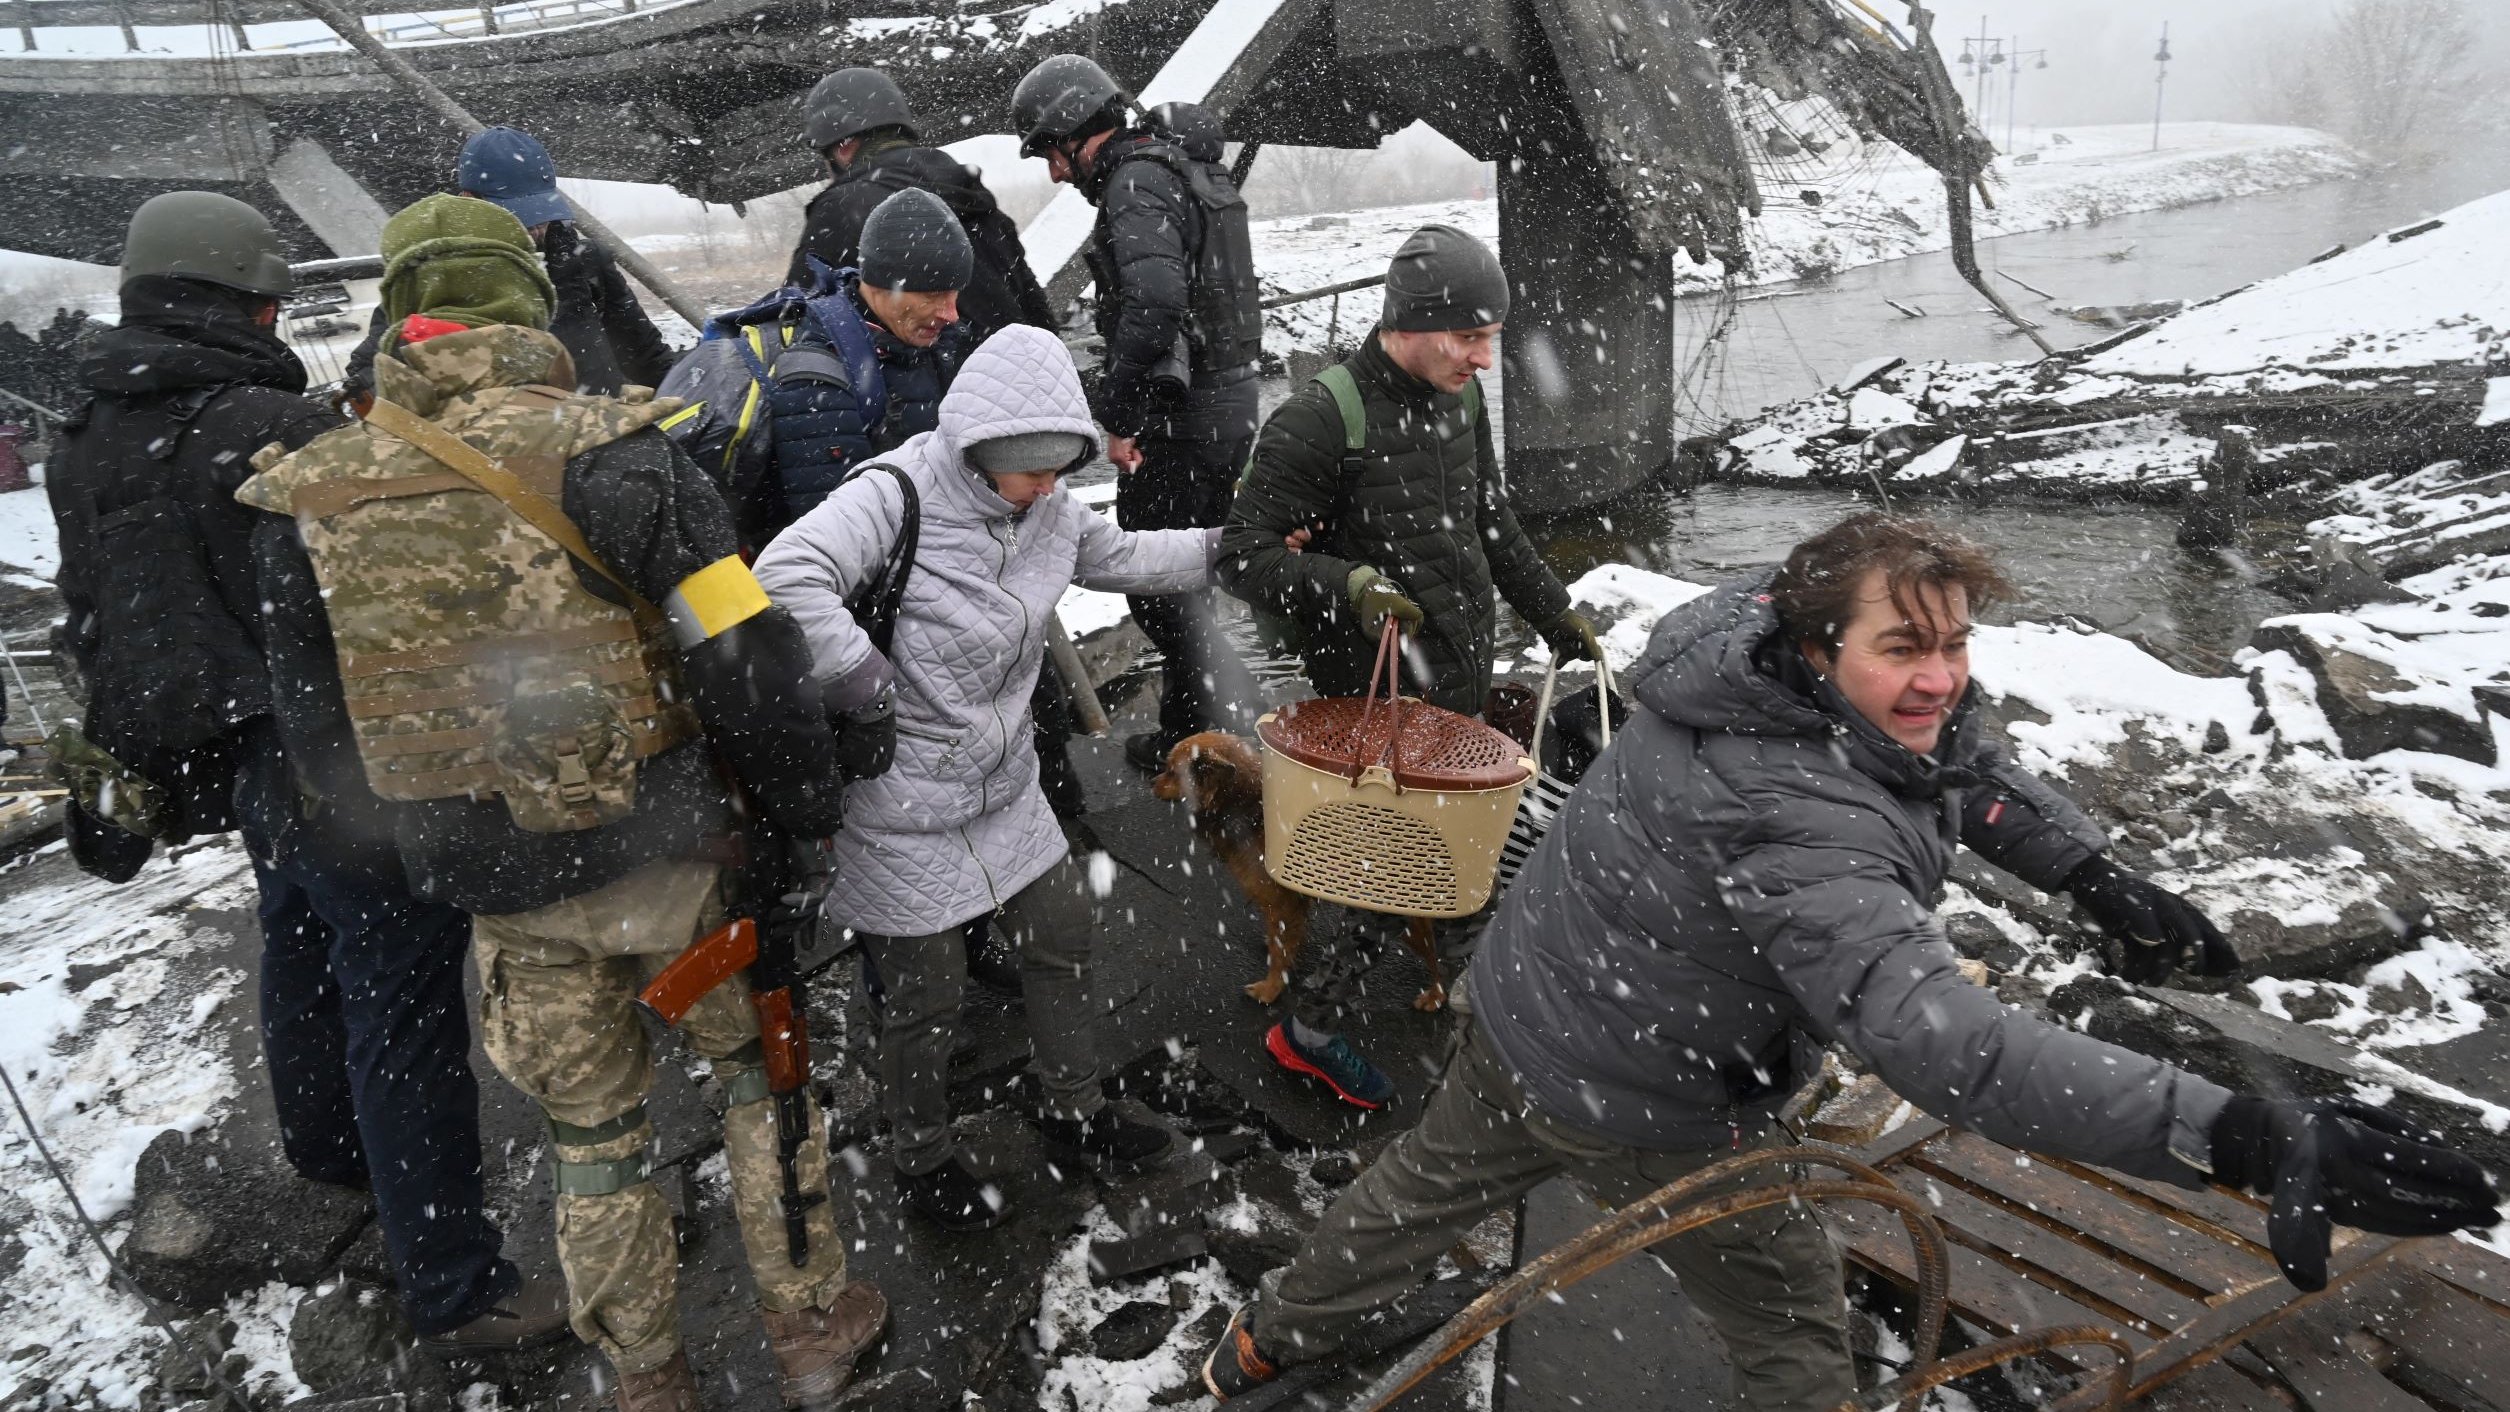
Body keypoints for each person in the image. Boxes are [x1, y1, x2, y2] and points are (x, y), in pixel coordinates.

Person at [1194, 513, 2500, 1408]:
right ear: (1817, 647)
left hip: (1534, 997)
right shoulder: (1794, 808)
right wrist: (2242, 1133)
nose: (1937, 676)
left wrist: (2087, 873)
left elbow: (1957, 768)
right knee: (1791, 1319)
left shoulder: (1748, 654)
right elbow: (1942, 1045)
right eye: (1903, 648)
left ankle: (1259, 1345)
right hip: (1646, 1088)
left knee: (1416, 1191)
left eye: (1951, 643)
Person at [239, 194, 884, 1412]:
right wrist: (804, 807)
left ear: (400, 316)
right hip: (682, 860)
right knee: (760, 1085)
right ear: (527, 306)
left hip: (504, 897)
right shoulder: (623, 456)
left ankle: (646, 1374)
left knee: (593, 1143)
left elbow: (322, 748)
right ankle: (808, 1325)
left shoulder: (303, 504)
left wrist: (446, 847)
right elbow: (742, 658)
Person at [46, 192, 566, 1351]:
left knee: (295, 937)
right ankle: (456, 1284)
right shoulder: (265, 421)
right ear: (243, 298)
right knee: (406, 995)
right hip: (335, 750)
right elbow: (373, 598)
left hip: (222, 755)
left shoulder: (83, 434)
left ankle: (329, 1150)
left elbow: (101, 614)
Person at [754, 324, 1217, 1230]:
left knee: (1061, 932)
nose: (1050, 487)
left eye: (1060, 465)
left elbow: (1125, 558)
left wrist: (1229, 547)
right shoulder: (895, 496)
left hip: (1003, 784)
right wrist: (864, 681)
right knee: (927, 994)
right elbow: (783, 575)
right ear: (980, 449)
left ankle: (1073, 1108)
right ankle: (920, 1158)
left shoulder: (1046, 511)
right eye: (1032, 468)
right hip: (895, 800)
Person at [1214, 223, 1600, 1110]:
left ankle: (1482, 1024)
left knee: (1452, 860)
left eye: (1492, 338)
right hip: (1374, 700)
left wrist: (1556, 614)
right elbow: (1242, 555)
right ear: (1413, 324)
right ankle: (1320, 1036)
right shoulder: (1321, 417)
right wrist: (1348, 583)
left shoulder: (1458, 402)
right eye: (1469, 337)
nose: (1485, 359)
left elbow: (1492, 524)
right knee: (1387, 874)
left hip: (1457, 683)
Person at [1011, 54, 1265, 772]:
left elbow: (1154, 307)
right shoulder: (1181, 169)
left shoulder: (1136, 184)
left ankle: (1200, 750)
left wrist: (1119, 416)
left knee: (1162, 590)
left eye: (1051, 155)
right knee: (1183, 585)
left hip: (1183, 421)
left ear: (1071, 132)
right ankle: (1203, 738)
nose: (1057, 174)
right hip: (1224, 404)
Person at [660, 186, 971, 549]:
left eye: (954, 294)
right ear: (880, 285)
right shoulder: (816, 377)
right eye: (933, 297)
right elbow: (842, 540)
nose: (951, 314)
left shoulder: (941, 344)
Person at [343, 126, 675, 399]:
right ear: (470, 200)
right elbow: (369, 369)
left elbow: (643, 353)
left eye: (541, 212)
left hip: (599, 441)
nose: (534, 228)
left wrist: (690, 393)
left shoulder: (585, 262)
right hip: (504, 456)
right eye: (518, 213)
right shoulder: (435, 274)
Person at [788, 66, 1058, 345]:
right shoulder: (967, 190)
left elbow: (793, 320)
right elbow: (1033, 305)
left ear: (843, 147)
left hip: (936, 383)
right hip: (1020, 373)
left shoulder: (844, 207)